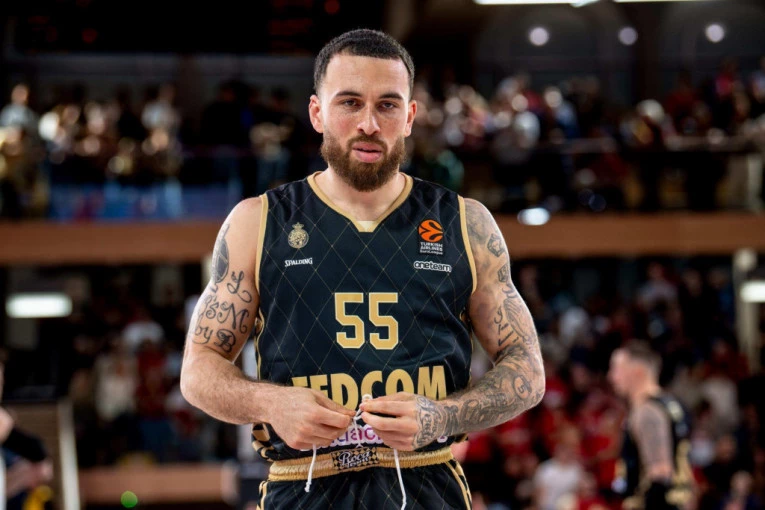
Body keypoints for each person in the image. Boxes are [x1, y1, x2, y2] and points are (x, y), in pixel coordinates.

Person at [180, 29, 545, 509]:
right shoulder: (258, 221)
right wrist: (271, 403)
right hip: (302, 483)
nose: (369, 124)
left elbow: (527, 369)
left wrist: (443, 416)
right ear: (317, 113)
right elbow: (199, 369)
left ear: (409, 117)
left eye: (387, 105)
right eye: (350, 103)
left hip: (426, 482)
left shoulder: (465, 222)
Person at [608, 341, 694, 510]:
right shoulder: (671, 404)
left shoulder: (647, 411)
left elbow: (660, 475)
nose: (611, 377)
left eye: (616, 369)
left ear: (637, 371)